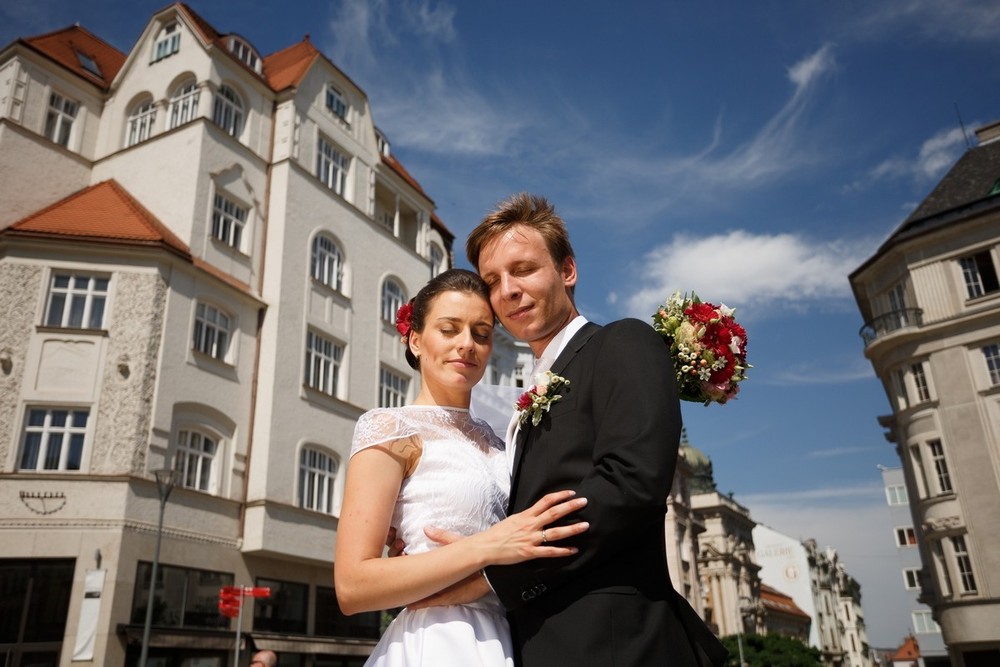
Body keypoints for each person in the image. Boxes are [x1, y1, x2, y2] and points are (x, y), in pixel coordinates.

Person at [418, 194, 728, 666]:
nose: (507, 290)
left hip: (615, 644)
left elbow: (630, 483)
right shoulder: (524, 400)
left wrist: (491, 574)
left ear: (568, 271)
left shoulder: (622, 342)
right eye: (492, 281)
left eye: (523, 269)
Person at [334, 268, 589, 666]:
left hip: (511, 635)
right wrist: (488, 545)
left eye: (481, 333)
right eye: (449, 329)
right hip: (436, 640)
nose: (466, 344)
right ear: (415, 340)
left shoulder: (501, 440)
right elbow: (352, 587)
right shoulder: (388, 427)